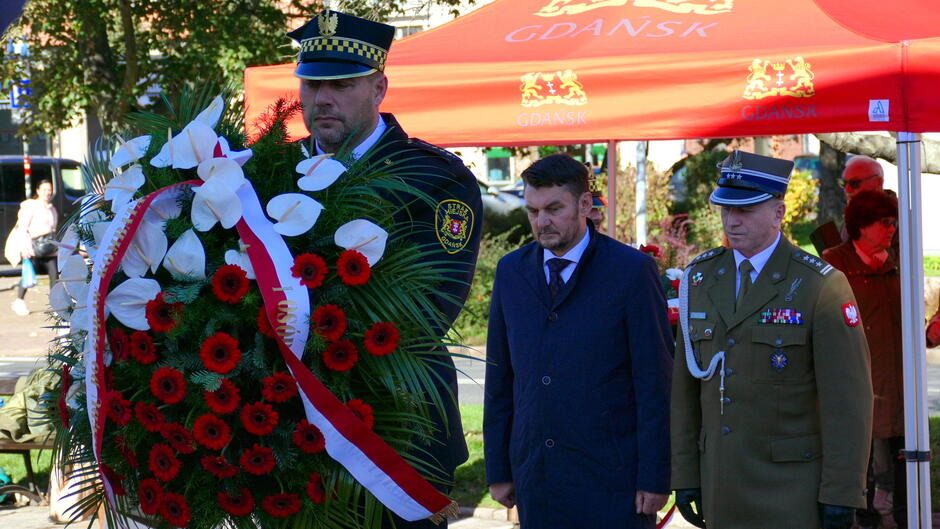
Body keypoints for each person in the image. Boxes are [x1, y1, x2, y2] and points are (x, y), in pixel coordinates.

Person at [288, 11, 483, 528]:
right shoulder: (267, 171)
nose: (321, 99)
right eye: (311, 84)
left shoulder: (434, 180)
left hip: (398, 432)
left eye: (342, 84)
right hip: (287, 437)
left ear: (379, 88)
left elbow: (425, 309)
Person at [671, 150, 873, 529]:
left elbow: (848, 403)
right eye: (725, 209)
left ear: (779, 213)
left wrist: (842, 493)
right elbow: (685, 390)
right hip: (721, 485)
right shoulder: (699, 279)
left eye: (745, 210)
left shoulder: (820, 285)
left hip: (792, 490)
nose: (732, 220)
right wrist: (684, 475)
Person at [484, 153, 674, 528]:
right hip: (536, 479)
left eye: (554, 208)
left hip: (613, 482)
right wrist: (499, 468)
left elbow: (655, 382)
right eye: (533, 210)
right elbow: (500, 378)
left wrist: (655, 476)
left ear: (585, 204)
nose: (542, 222)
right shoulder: (511, 271)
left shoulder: (631, 272)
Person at [823, 190, 906, 529]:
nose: (892, 229)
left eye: (894, 222)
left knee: (905, 449)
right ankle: (861, 515)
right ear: (862, 225)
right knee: (860, 450)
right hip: (856, 377)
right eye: (884, 222)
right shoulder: (834, 263)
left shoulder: (901, 259)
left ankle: (903, 512)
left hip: (901, 377)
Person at [8, 179, 58, 316]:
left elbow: (52, 229)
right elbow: (22, 228)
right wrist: (25, 248)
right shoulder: (30, 206)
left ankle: (55, 306)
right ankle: (19, 301)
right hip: (34, 248)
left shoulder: (51, 207)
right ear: (37, 191)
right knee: (28, 276)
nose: (47, 192)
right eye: (44, 190)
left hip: (50, 248)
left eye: (49, 189)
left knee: (55, 276)